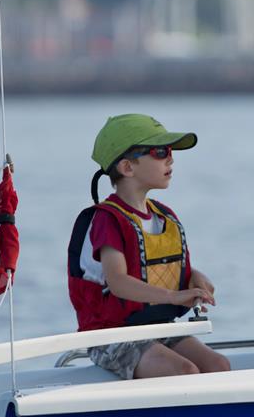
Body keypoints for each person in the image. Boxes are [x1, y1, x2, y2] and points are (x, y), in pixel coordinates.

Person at [68, 114, 231, 379]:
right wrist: (173, 297)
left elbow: (155, 267)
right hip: (112, 336)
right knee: (183, 370)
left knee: (219, 366)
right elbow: (118, 281)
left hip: (157, 327)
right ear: (127, 167)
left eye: (170, 151)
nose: (170, 158)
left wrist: (193, 278)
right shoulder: (107, 220)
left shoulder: (162, 215)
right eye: (159, 152)